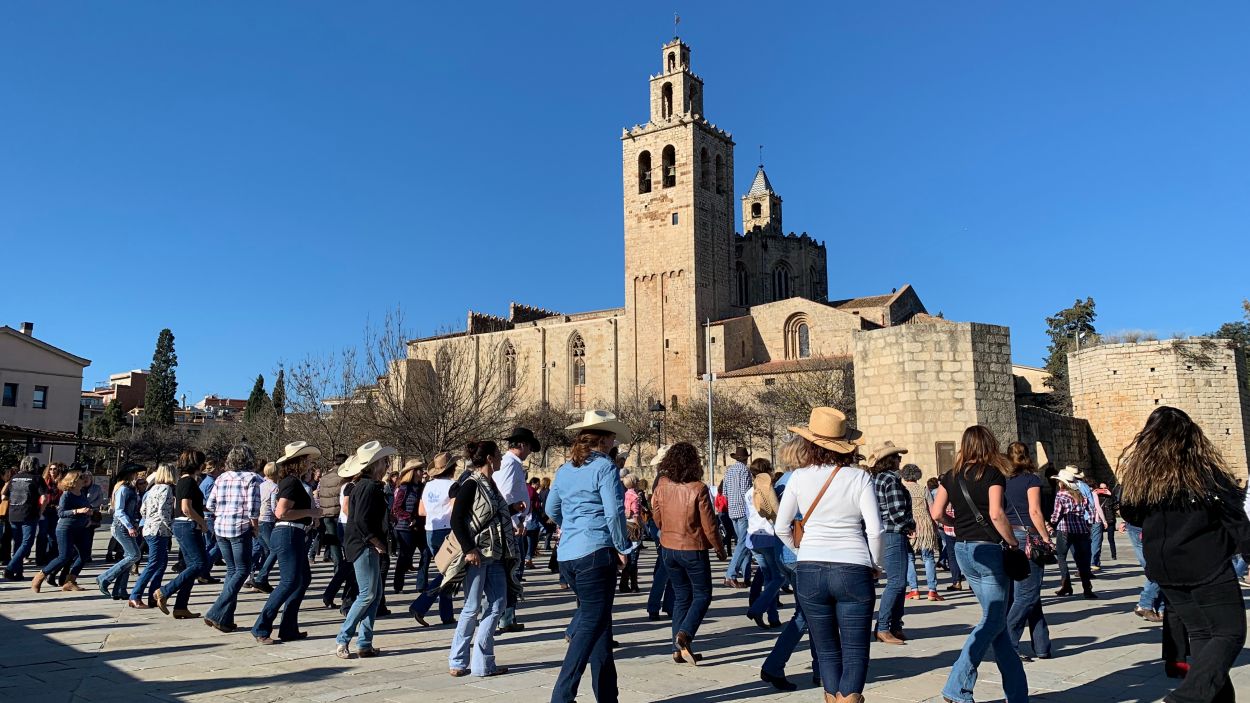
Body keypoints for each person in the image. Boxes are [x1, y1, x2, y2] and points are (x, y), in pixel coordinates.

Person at [1118, 406, 1250, 703]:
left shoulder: (1142, 479)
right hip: (1205, 565)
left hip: (1165, 567)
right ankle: (1186, 698)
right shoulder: (1205, 474)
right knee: (1229, 633)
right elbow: (1235, 520)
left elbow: (1130, 513)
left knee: (1202, 634)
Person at [774, 407, 880, 703]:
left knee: (826, 649)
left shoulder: (797, 477)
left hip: (810, 566)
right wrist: (875, 563)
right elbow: (875, 530)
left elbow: (781, 527)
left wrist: (802, 551)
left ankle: (833, 698)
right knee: (855, 649)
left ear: (810, 443)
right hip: (853, 564)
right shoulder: (859, 478)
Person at [930, 425, 1026, 703]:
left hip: (963, 550)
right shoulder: (992, 474)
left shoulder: (950, 476)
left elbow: (937, 513)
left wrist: (956, 523)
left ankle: (1018, 694)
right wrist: (1013, 543)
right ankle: (956, 687)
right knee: (992, 621)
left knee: (998, 627)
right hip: (989, 551)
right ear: (988, 445)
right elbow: (996, 514)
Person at [548, 410, 634, 703]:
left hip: (569, 554)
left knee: (600, 626)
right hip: (595, 552)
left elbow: (551, 509)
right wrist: (622, 546)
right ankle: (562, 696)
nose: (614, 443)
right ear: (605, 439)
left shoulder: (564, 469)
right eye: (612, 437)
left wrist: (572, 524)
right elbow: (614, 512)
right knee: (590, 625)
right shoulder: (605, 467)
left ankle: (608, 696)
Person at [651, 441, 725, 664]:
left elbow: (657, 516)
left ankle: (677, 648)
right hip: (692, 548)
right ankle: (685, 634)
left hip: (668, 546)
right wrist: (719, 547)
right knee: (702, 594)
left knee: (682, 595)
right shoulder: (698, 488)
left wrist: (667, 530)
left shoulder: (662, 485)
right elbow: (709, 525)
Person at [446, 440, 513, 678]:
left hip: (495, 554)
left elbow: (492, 515)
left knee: (497, 604)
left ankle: (483, 662)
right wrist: (469, 549)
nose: (501, 459)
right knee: (472, 606)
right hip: (477, 554)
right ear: (489, 459)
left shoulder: (491, 484)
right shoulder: (471, 484)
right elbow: (456, 519)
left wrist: (513, 510)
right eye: (498, 455)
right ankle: (457, 660)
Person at [760, 437, 819, 692]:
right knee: (807, 616)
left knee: (812, 615)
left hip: (783, 552)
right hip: (800, 553)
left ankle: (820, 669)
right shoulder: (803, 480)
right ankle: (774, 665)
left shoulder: (782, 481)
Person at [251, 442, 322, 644]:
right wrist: (311, 512)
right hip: (288, 532)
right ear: (299, 462)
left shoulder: (293, 482)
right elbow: (281, 512)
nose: (310, 464)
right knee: (289, 581)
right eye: (307, 460)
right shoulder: (291, 482)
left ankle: (289, 627)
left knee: (302, 579)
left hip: (294, 533)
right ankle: (261, 627)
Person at [336, 441, 396, 657]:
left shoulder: (367, 485)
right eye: (385, 461)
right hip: (363, 544)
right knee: (367, 594)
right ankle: (343, 639)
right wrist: (377, 542)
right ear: (375, 464)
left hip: (365, 543)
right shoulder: (368, 487)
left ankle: (364, 643)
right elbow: (361, 520)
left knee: (375, 594)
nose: (387, 465)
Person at [203, 444, 261, 633]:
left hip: (221, 527)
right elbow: (253, 508)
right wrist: (255, 527)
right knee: (242, 570)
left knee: (232, 571)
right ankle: (216, 611)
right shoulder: (252, 478)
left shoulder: (221, 477)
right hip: (239, 527)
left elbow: (210, 504)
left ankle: (225, 618)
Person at [1003, 442, 1053, 661]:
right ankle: (1008, 643)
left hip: (1008, 536)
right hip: (1028, 536)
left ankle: (1042, 646)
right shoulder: (1031, 479)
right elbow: (1034, 511)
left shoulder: (1001, 480)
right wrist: (1046, 537)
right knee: (1027, 594)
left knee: (1026, 593)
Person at [867, 441, 914, 645]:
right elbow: (897, 512)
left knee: (899, 582)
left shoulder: (876, 478)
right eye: (897, 457)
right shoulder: (890, 480)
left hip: (885, 532)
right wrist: (910, 524)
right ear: (890, 460)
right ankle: (884, 626)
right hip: (894, 532)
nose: (900, 460)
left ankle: (894, 625)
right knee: (897, 582)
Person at [154, 450, 209, 619]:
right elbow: (186, 508)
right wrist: (202, 522)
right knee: (199, 564)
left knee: (191, 567)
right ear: (197, 464)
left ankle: (181, 606)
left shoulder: (184, 482)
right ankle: (165, 591)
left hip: (184, 525)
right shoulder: (188, 482)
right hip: (187, 525)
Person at [496, 427, 539, 634]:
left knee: (513, 570)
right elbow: (504, 495)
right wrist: (514, 521)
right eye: (529, 447)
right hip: (511, 525)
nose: (530, 452)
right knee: (513, 571)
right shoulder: (510, 464)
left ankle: (507, 616)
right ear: (522, 445)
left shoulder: (512, 464)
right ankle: (505, 617)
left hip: (514, 521)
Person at [409, 451, 459, 626]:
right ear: (452, 468)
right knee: (450, 571)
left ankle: (446, 614)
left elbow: (421, 511)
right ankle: (421, 605)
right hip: (447, 530)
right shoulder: (453, 485)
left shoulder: (428, 485)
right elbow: (456, 511)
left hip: (430, 529)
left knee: (446, 571)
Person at [31, 469, 93, 593]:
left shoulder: (81, 493)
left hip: (81, 528)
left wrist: (89, 515)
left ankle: (70, 581)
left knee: (84, 554)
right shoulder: (66, 494)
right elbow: (61, 513)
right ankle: (40, 576)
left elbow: (85, 508)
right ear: (73, 481)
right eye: (81, 477)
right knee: (64, 556)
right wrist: (77, 511)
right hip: (66, 528)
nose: (84, 479)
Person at [744, 457, 785, 629]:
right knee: (779, 577)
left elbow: (748, 515)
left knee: (769, 578)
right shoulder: (769, 491)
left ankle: (773, 617)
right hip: (769, 536)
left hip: (753, 537)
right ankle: (758, 608)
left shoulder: (749, 492)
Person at [129, 463, 176, 608]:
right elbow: (163, 511)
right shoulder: (167, 489)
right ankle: (135, 595)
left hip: (149, 528)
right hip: (159, 530)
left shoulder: (152, 489)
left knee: (161, 563)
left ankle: (154, 595)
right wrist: (171, 527)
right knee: (154, 563)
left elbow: (143, 510)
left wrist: (150, 519)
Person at [97, 466, 145, 600]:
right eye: (136, 474)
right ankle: (104, 578)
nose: (138, 476)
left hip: (129, 525)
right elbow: (119, 511)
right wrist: (129, 526)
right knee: (134, 555)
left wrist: (135, 523)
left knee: (128, 558)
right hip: (121, 526)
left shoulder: (132, 489)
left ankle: (120, 590)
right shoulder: (123, 489)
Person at [1050, 466, 1097, 599]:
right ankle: (1087, 588)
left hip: (1065, 529)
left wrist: (1050, 523)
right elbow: (1091, 509)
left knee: (1061, 556)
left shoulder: (1061, 495)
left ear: (1062, 483)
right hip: (1081, 529)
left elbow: (1056, 514)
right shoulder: (1079, 493)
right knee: (1081, 559)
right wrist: (1089, 524)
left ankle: (1066, 585)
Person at [902, 464, 943, 602]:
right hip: (925, 525)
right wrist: (935, 527)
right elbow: (932, 509)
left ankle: (914, 590)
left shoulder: (902, 489)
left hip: (910, 525)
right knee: (928, 558)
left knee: (910, 558)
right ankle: (932, 591)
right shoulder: (924, 489)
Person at [3, 456, 46, 581]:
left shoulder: (14, 478)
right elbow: (44, 498)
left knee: (18, 543)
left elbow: (4, 497)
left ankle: (18, 572)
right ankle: (10, 568)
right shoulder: (37, 478)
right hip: (29, 513)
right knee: (27, 543)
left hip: (13, 513)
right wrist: (40, 512)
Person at [391, 458, 426, 593]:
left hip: (420, 526)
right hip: (406, 527)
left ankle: (421, 584)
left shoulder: (423, 487)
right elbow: (396, 508)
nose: (422, 472)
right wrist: (409, 517)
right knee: (405, 556)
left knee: (426, 553)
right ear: (414, 472)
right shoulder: (404, 487)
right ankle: (398, 585)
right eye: (420, 470)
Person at [722, 446, 752, 587]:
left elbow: (725, 492)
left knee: (743, 543)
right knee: (744, 543)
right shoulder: (744, 470)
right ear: (746, 459)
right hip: (743, 510)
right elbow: (746, 492)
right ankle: (731, 574)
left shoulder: (729, 471)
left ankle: (746, 576)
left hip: (732, 510)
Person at [251, 461, 281, 593]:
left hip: (259, 519)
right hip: (268, 520)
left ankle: (260, 578)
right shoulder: (275, 487)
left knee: (266, 550)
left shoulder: (260, 485)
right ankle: (261, 578)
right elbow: (274, 506)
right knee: (274, 550)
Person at [197, 459, 221, 584]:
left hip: (206, 517)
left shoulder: (205, 482)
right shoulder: (211, 483)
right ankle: (204, 570)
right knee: (216, 545)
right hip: (210, 517)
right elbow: (208, 504)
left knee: (209, 545)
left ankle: (204, 572)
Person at [1093, 482, 1118, 567]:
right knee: (1099, 539)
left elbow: (1116, 504)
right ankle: (1097, 556)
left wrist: (1110, 494)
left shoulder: (1111, 496)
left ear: (1108, 487)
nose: (1103, 490)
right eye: (1101, 488)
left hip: (1110, 520)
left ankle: (1114, 555)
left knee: (1111, 538)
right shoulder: (1097, 496)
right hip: (1101, 520)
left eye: (1105, 488)